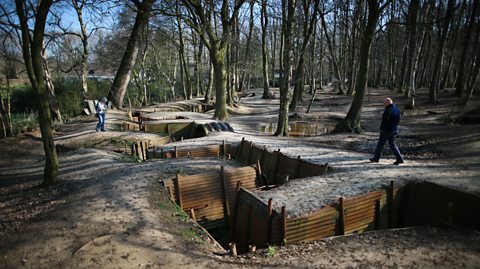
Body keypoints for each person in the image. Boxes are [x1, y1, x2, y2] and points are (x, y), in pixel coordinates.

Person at [370, 97, 404, 165]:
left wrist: (381, 129)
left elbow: (385, 121)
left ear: (387, 103)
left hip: (386, 130)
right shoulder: (397, 110)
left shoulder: (388, 110)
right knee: (392, 145)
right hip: (394, 129)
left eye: (384, 103)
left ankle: (376, 158)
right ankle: (400, 158)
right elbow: (398, 120)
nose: (384, 104)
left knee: (380, 144)